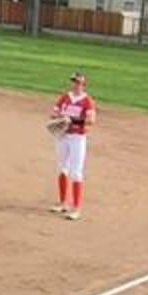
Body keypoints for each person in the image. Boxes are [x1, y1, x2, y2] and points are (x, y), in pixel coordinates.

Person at [49, 71, 98, 221]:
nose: (76, 85)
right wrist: (61, 118)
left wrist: (73, 120)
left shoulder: (88, 101)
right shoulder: (65, 97)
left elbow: (91, 120)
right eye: (74, 82)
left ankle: (76, 208)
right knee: (62, 168)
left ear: (84, 85)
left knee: (76, 172)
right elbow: (53, 113)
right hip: (63, 136)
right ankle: (63, 203)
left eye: (78, 82)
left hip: (77, 138)